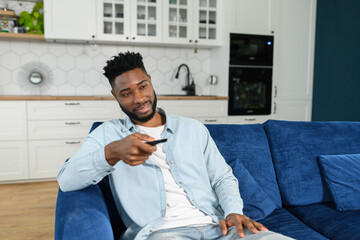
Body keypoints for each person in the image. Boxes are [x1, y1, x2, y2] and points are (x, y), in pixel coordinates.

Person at [58, 52, 293, 240]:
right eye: (126, 93)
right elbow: (67, 181)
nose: (139, 99)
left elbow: (223, 177)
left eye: (142, 87)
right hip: (162, 233)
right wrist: (112, 152)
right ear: (115, 95)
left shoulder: (193, 129)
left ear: (150, 81)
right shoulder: (108, 134)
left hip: (220, 227)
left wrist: (233, 211)